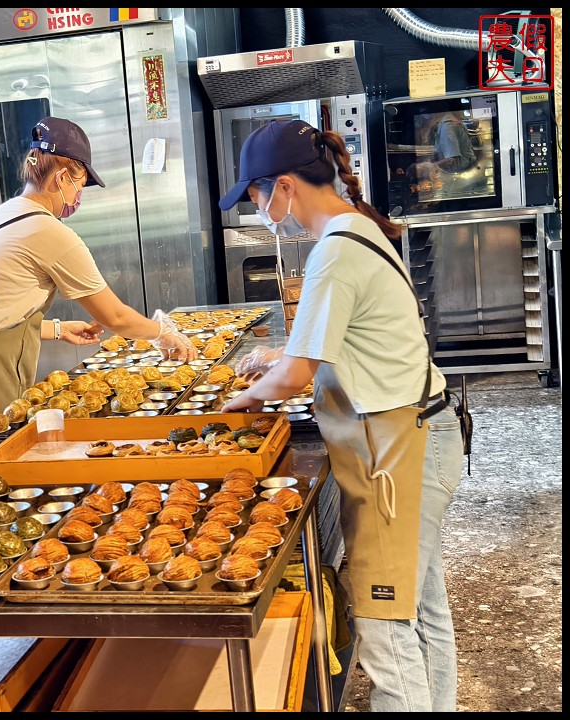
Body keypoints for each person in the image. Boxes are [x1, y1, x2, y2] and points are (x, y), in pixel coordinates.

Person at [219, 119, 465, 712]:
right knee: (420, 608)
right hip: (422, 434)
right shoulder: (359, 228)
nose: (256, 206)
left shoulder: (334, 249)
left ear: (283, 186)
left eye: (254, 194)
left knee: (384, 626)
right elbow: (344, 337)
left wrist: (245, 399)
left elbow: (299, 375)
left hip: (394, 456)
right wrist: (279, 355)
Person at [0, 116, 196, 477]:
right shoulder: (46, 229)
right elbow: (115, 317)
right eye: (81, 183)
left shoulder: (0, 215)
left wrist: (55, 329)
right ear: (62, 177)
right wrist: (163, 333)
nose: (80, 195)